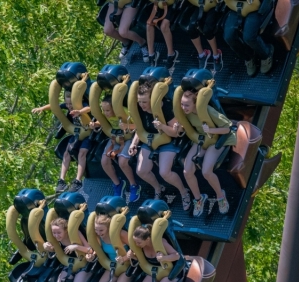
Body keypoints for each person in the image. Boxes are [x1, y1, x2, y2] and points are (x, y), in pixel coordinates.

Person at [176, 70, 237, 217]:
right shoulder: (187, 114)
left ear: (195, 103)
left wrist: (211, 129)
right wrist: (179, 128)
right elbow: (188, 128)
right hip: (201, 139)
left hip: (217, 138)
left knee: (206, 171)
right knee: (187, 170)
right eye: (182, 105)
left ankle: (220, 195)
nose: (184, 108)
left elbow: (228, 128)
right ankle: (198, 198)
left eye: (186, 105)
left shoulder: (207, 110)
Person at [128, 68, 192, 209]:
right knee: (141, 170)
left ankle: (184, 191)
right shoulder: (140, 109)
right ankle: (158, 188)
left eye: (144, 102)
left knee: (165, 172)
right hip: (150, 140)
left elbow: (176, 133)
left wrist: (162, 126)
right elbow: (140, 128)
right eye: (139, 102)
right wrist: (133, 144)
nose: (141, 105)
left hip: (167, 140)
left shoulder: (166, 107)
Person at [32, 62, 91, 194]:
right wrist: (42, 108)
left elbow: (91, 107)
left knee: (82, 153)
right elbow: (56, 105)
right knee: (66, 152)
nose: (70, 106)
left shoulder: (82, 104)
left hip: (88, 133)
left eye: (71, 104)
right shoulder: (67, 104)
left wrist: (80, 112)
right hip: (76, 133)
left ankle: (77, 180)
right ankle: (61, 180)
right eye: (68, 104)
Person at [44, 197, 93, 282]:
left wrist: (75, 246)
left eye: (59, 232)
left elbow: (90, 249)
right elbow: (48, 249)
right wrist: (45, 245)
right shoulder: (55, 239)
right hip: (70, 265)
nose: (56, 235)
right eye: (54, 233)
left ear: (66, 230)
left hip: (84, 264)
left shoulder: (74, 233)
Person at [90, 66, 139, 199]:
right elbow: (103, 121)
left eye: (107, 110)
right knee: (104, 160)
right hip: (115, 138)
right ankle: (118, 184)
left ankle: (134, 185)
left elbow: (137, 125)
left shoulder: (124, 111)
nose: (105, 113)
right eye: (103, 110)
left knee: (123, 161)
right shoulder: (105, 115)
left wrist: (127, 125)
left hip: (128, 137)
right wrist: (95, 124)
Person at [223, 0, 276, 76]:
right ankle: (248, 57)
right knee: (229, 37)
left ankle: (266, 53)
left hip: (256, 7)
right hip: (236, 6)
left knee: (249, 37)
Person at [145, 0, 179, 69]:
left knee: (164, 26)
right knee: (149, 24)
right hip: (159, 4)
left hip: (173, 4)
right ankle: (151, 55)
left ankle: (171, 54)